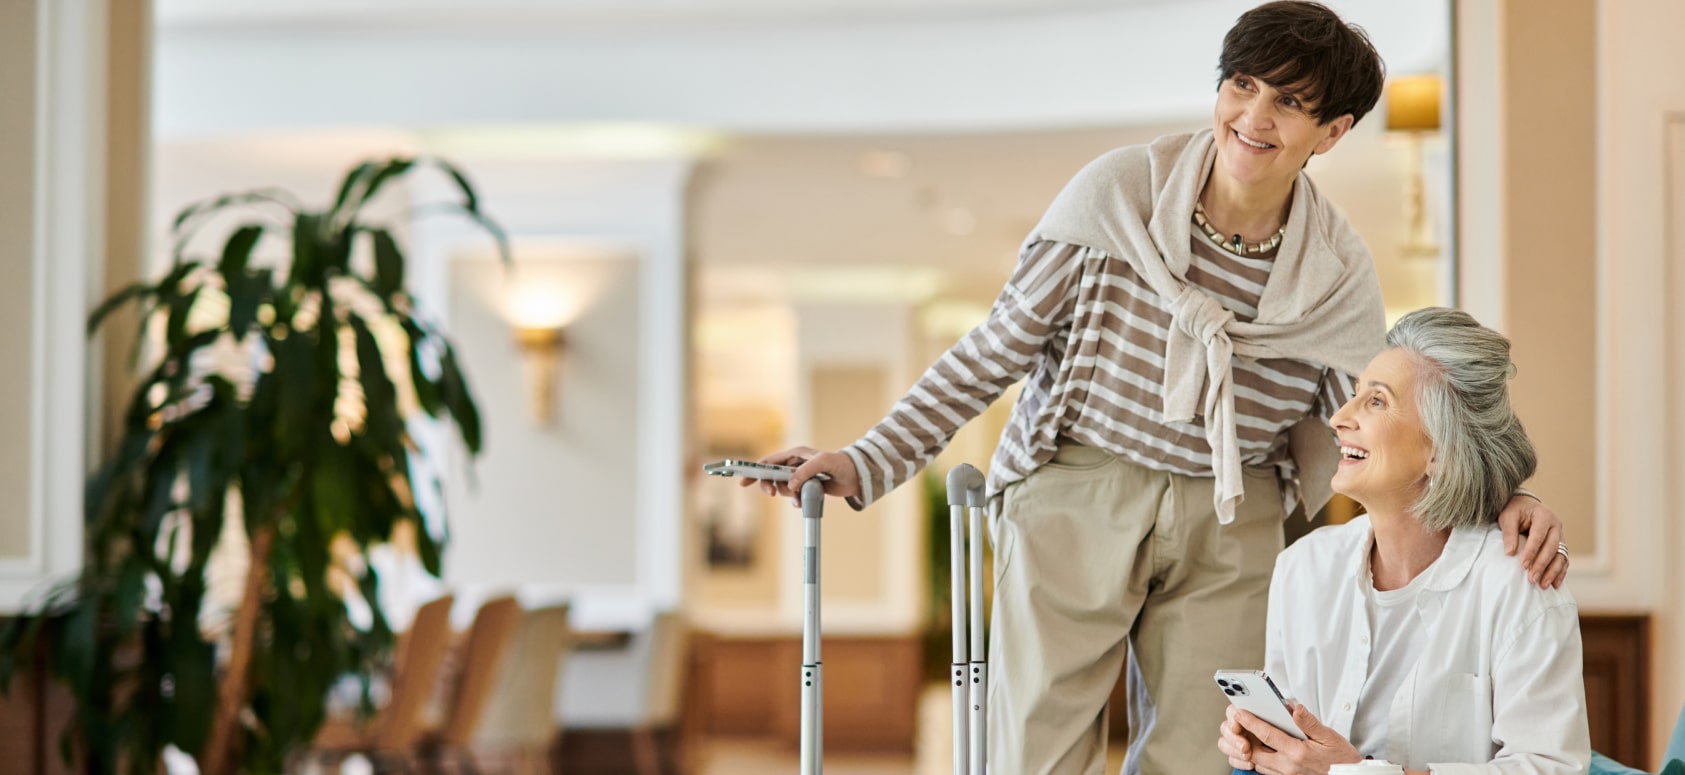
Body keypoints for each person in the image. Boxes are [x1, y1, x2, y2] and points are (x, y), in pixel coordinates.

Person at [748, 3, 1570, 772]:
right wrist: (868, 457)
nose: (1253, 117)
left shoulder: (1336, 268)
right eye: (1241, 85)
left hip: (1233, 509)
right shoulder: (1117, 195)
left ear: (1332, 131)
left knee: (1207, 752)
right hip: (1082, 484)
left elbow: (1387, 418)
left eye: (1288, 102)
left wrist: (1497, 497)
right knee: (1036, 742)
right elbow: (995, 345)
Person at [1217, 307, 1589, 774]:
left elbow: (1551, 768)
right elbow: (1297, 736)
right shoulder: (1303, 568)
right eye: (1354, 395)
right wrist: (1264, 742)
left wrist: (1351, 773)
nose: (1337, 418)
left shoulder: (1520, 582)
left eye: (1376, 402)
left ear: (1440, 450)